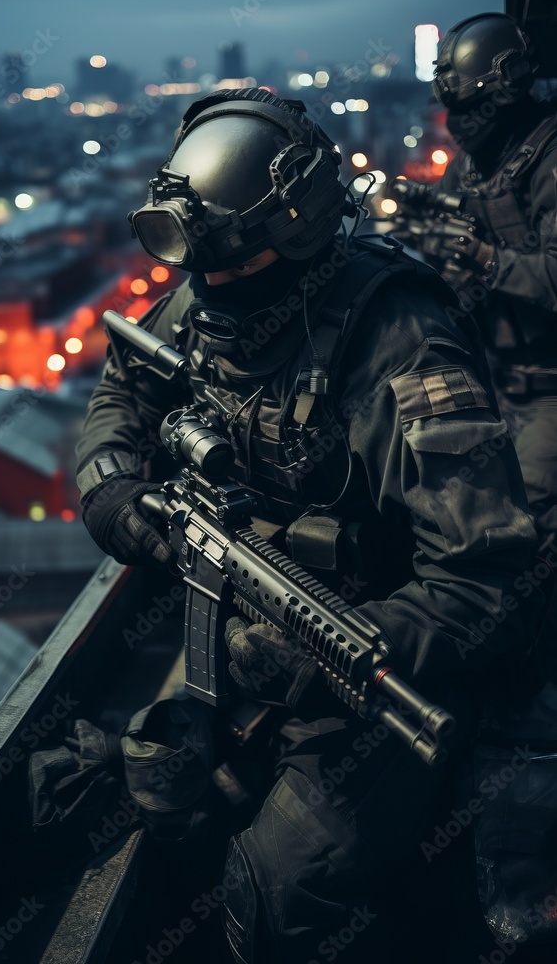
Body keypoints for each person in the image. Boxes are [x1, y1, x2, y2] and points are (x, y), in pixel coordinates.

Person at [76, 88, 545, 962]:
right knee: (154, 788)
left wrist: (337, 648)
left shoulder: (398, 341)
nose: (205, 290)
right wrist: (113, 491)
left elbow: (489, 585)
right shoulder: (214, 287)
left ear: (294, 236)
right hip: (247, 629)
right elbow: (122, 393)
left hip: (387, 660)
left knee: (278, 888)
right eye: (196, 270)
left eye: (230, 267)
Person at [391, 12, 557, 554]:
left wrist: (484, 258)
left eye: (467, 106)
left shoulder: (549, 158)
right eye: (451, 107)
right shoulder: (467, 170)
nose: (456, 121)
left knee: (523, 529)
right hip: (492, 380)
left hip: (548, 388)